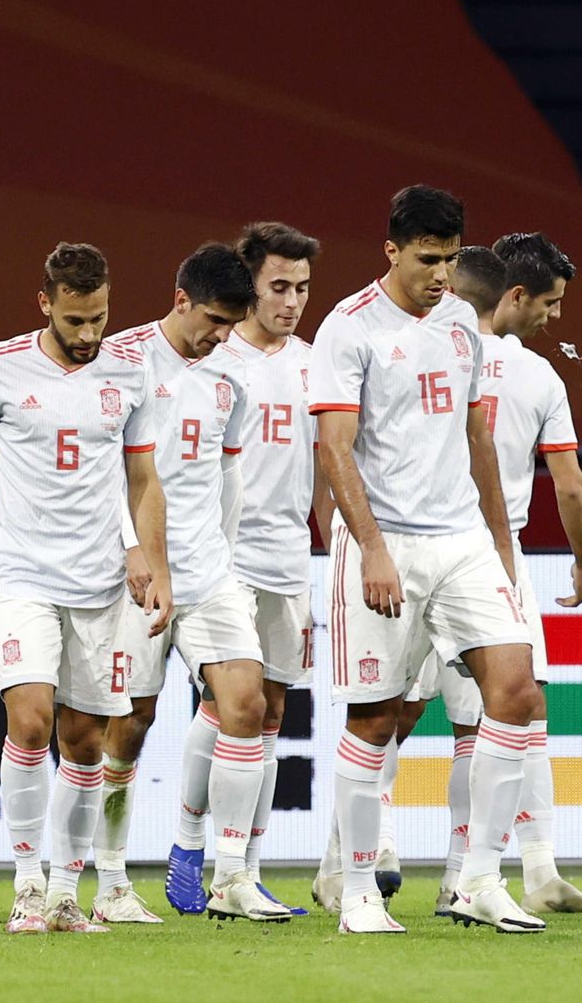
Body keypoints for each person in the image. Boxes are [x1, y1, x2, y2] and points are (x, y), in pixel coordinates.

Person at [309, 185, 544, 934]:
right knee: (377, 717)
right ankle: (355, 892)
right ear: (391, 250)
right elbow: (335, 449)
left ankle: (478, 880)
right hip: (386, 543)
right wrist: (372, 547)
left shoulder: (463, 328)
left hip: (462, 540)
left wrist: (502, 544)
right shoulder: (348, 329)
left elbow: (479, 438)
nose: (440, 274)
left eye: (448, 259)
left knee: (516, 695)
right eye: (426, 259)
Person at [0, 242, 170, 934]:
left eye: (98, 317)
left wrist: (147, 559)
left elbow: (143, 478)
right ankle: (28, 886)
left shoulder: (129, 371)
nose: (89, 334)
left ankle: (69, 896)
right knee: (31, 719)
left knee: (86, 738)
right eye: (75, 320)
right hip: (23, 572)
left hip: (100, 581)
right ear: (45, 304)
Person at [393, 238, 582, 916]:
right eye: (549, 303)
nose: (552, 317)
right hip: (488, 556)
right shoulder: (539, 376)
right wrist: (581, 561)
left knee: (384, 715)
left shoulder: (408, 351)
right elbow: (570, 486)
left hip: (405, 547)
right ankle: (486, 874)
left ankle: (351, 865)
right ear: (513, 295)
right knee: (506, 713)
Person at [92, 243, 284, 924]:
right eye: (212, 320)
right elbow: (104, 470)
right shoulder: (118, 360)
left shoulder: (231, 376)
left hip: (206, 575)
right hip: (130, 579)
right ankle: (112, 883)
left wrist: (223, 557)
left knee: (247, 703)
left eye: (233, 324)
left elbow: (228, 475)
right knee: (129, 725)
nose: (220, 336)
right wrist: (131, 549)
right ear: (179, 298)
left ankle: (230, 875)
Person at [163, 223, 331, 918]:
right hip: (219, 556)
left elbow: (326, 463)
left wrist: (323, 552)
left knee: (272, 710)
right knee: (231, 704)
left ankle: (246, 869)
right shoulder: (210, 358)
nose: (291, 302)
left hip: (288, 557)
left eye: (302, 289)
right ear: (248, 285)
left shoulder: (317, 363)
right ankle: (189, 847)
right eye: (279, 287)